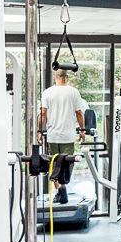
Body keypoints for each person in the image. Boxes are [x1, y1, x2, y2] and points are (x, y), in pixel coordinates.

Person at [39, 68, 88, 203]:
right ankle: (63, 189)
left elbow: (43, 114)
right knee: (67, 164)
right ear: (66, 77)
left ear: (55, 77)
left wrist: (38, 132)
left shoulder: (47, 92)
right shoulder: (73, 92)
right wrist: (82, 130)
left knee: (55, 165)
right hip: (68, 136)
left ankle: (61, 190)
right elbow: (79, 113)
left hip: (53, 136)